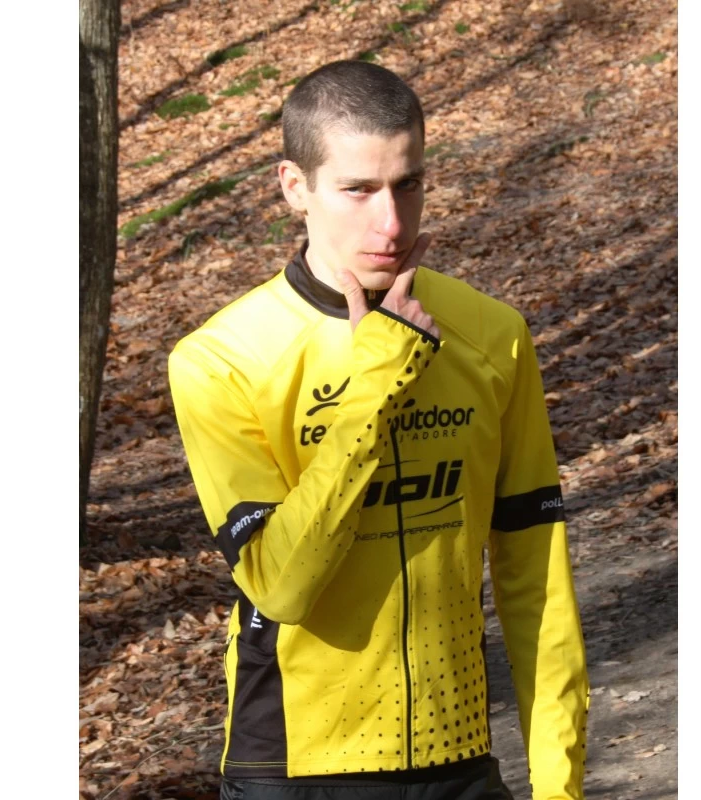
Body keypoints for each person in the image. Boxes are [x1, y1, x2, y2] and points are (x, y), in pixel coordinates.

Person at [169, 60, 589, 800]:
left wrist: (560, 786)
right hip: (297, 768)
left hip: (458, 755)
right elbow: (280, 585)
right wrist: (377, 383)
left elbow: (538, 581)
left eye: (409, 184)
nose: (391, 223)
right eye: (358, 189)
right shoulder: (223, 359)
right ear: (294, 187)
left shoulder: (493, 335)